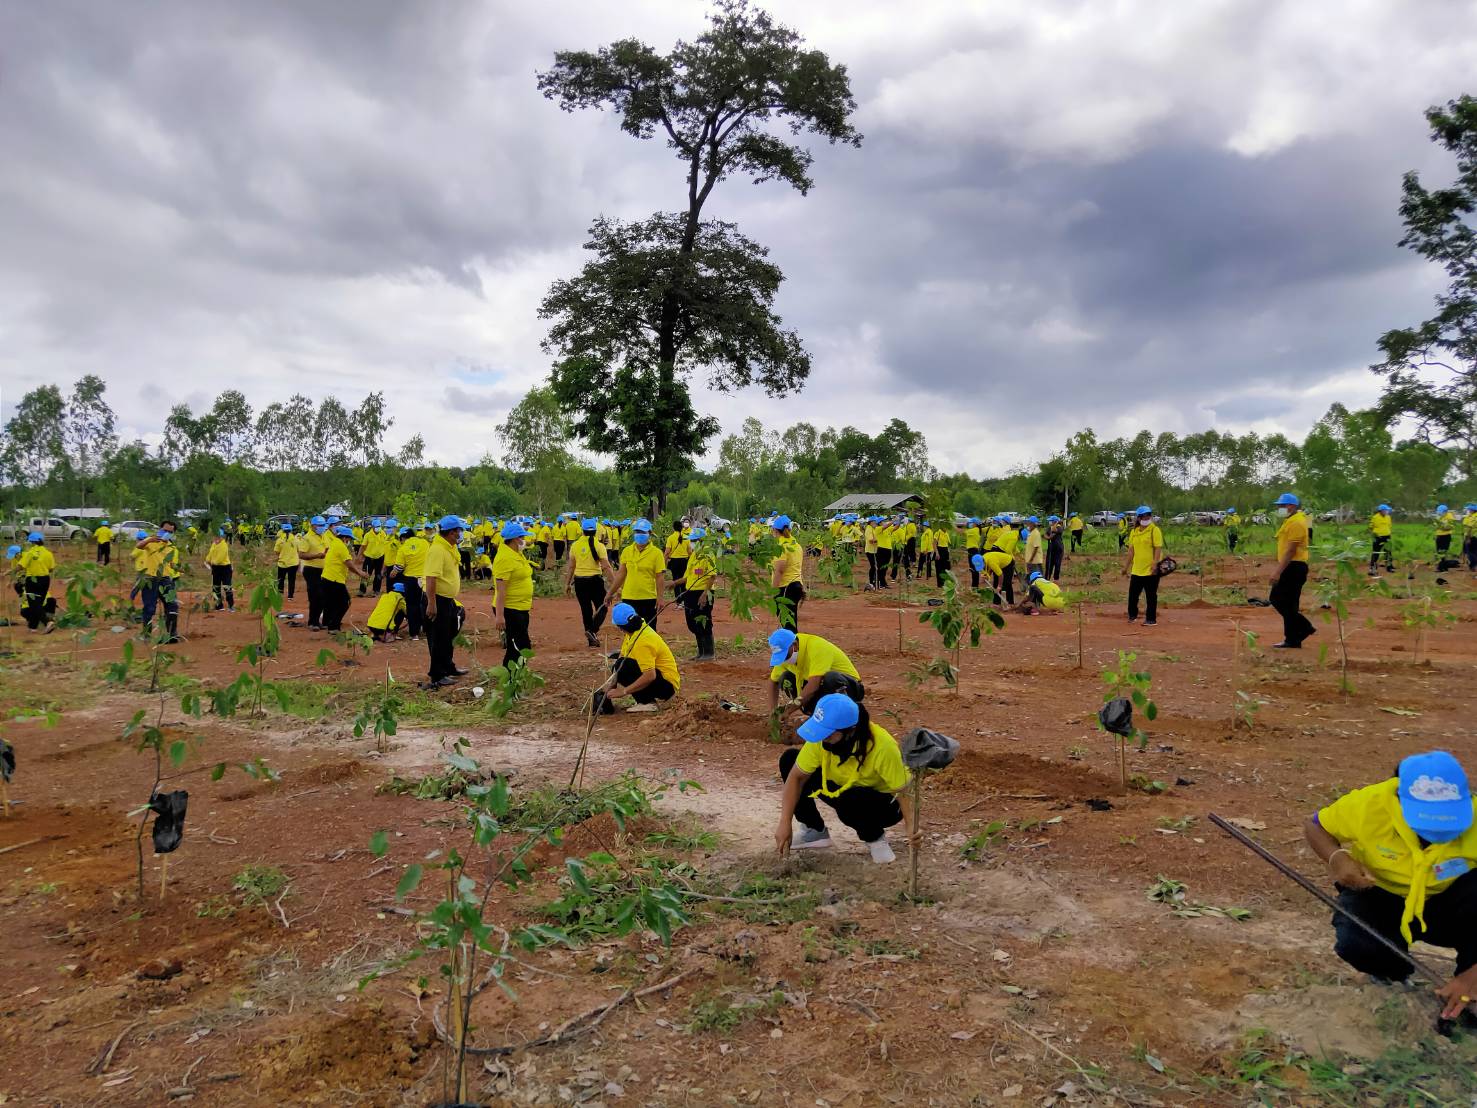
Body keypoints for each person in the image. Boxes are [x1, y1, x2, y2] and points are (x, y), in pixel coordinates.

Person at [1305, 750, 1477, 1021]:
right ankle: (1393, 981)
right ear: (1400, 801)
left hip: (1452, 902)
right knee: (1356, 941)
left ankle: (1469, 992)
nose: (1440, 832)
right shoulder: (1371, 804)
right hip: (1382, 895)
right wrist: (1338, 859)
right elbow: (1316, 826)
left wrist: (1472, 975)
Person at [775, 692, 914, 864]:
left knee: (852, 798)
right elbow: (796, 778)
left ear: (850, 730)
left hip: (884, 805)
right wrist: (785, 821)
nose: (823, 738)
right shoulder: (821, 739)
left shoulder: (882, 746)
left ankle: (875, 839)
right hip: (842, 791)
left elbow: (903, 789)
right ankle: (814, 830)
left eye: (829, 734)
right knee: (790, 760)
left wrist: (911, 825)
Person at [595, 602, 680, 713]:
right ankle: (644, 700)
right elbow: (622, 658)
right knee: (619, 665)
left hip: (666, 686)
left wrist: (623, 692)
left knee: (624, 667)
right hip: (659, 678)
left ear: (620, 627)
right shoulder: (634, 631)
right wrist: (610, 687)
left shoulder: (643, 641)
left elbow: (650, 676)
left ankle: (647, 702)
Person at [766, 628, 861, 715]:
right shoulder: (786, 655)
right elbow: (773, 682)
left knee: (830, 679)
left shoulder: (817, 647)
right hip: (822, 687)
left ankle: (844, 715)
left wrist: (790, 708)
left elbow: (814, 685)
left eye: (785, 656)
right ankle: (816, 715)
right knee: (786, 678)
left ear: (795, 645)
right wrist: (773, 712)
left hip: (850, 686)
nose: (784, 660)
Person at [424, 516, 467, 688]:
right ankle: (437, 675)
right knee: (438, 638)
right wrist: (431, 603)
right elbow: (431, 578)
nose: (460, 534)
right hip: (437, 600)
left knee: (448, 635)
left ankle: (448, 667)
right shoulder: (437, 550)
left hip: (447, 599)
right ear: (451, 532)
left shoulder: (449, 547)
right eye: (458, 530)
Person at [1269, 492, 1315, 649]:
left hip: (1293, 566)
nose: (1279, 508)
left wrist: (1277, 572)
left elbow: (1291, 551)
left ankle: (1304, 627)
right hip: (1293, 566)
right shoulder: (1291, 520)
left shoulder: (1297, 523)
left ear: (1291, 506)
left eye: (1281, 506)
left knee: (1277, 598)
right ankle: (1293, 639)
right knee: (1290, 604)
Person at [563, 517, 613, 647]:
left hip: (579, 582)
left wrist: (567, 584)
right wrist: (614, 583)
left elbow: (571, 566)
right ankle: (592, 630)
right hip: (595, 581)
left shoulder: (575, 545)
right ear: (595, 531)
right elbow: (606, 567)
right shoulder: (599, 546)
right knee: (603, 606)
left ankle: (591, 638)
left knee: (586, 610)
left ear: (582, 531)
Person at [608, 519, 667, 627]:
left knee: (648, 630)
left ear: (649, 533)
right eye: (637, 532)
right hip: (629, 597)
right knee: (629, 630)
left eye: (643, 532)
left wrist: (660, 597)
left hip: (648, 598)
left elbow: (660, 578)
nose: (639, 535)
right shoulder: (627, 551)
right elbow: (621, 574)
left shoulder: (657, 553)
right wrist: (610, 592)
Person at [493, 520, 535, 670]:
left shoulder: (516, 554)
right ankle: (510, 677)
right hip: (510, 609)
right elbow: (501, 590)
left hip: (521, 607)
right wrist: (499, 615)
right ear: (515, 539)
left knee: (516, 646)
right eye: (522, 538)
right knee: (521, 646)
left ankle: (513, 677)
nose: (524, 541)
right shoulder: (505, 558)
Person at [1122, 506, 1164, 626]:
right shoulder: (1134, 532)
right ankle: (1132, 616)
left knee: (1151, 595)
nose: (1146, 518)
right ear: (1138, 518)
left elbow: (1158, 548)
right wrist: (1126, 567)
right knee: (1133, 595)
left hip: (1151, 570)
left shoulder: (1154, 530)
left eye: (1148, 515)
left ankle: (1151, 619)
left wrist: (1155, 564)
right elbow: (1131, 551)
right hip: (1137, 569)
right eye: (1144, 516)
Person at [681, 527, 718, 661]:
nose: (691, 543)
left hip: (703, 592)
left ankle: (709, 652)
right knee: (692, 622)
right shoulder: (693, 556)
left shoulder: (708, 555)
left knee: (704, 621)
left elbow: (712, 576)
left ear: (701, 541)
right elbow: (688, 576)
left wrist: (704, 594)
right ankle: (701, 651)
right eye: (691, 540)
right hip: (690, 592)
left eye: (694, 540)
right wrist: (673, 583)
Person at [321, 524, 366, 631]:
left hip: (328, 577)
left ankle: (327, 623)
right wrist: (360, 573)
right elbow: (349, 564)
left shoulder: (335, 543)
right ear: (345, 538)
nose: (349, 541)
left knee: (331, 602)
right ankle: (333, 626)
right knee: (345, 602)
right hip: (334, 579)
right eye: (349, 539)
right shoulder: (341, 546)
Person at [393, 524, 430, 641]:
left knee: (412, 606)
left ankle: (414, 633)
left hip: (411, 580)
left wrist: (392, 573)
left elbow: (399, 567)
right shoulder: (424, 543)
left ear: (403, 537)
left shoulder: (403, 548)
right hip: (426, 579)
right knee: (426, 603)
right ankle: (427, 629)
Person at [770, 515, 805, 631]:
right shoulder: (796, 545)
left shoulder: (781, 546)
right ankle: (794, 648)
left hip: (785, 588)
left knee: (787, 625)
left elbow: (779, 570)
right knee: (791, 623)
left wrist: (773, 591)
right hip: (796, 585)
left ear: (775, 530)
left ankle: (793, 648)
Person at [18, 532, 57, 632]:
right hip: (45, 580)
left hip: (32, 580)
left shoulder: (30, 553)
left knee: (34, 604)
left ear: (31, 542)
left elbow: (21, 566)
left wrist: (7, 572)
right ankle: (33, 626)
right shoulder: (48, 553)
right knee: (38, 603)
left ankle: (47, 622)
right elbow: (51, 569)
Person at [298, 515, 328, 631]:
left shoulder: (323, 536)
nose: (322, 527)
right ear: (312, 526)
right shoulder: (307, 538)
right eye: (319, 526)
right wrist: (317, 555)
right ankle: (312, 622)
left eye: (323, 525)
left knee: (322, 596)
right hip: (311, 570)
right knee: (315, 595)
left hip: (323, 570)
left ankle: (317, 621)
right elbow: (301, 554)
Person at [204, 528, 235, 612]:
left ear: (222, 537)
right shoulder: (214, 544)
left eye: (218, 537)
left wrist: (211, 563)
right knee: (216, 587)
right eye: (215, 537)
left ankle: (231, 605)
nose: (216, 539)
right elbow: (210, 553)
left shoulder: (224, 545)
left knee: (227, 586)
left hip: (225, 568)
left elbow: (219, 559)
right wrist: (207, 560)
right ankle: (218, 605)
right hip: (216, 568)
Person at [665, 520, 691, 601]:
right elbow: (690, 552)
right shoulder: (686, 538)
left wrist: (664, 562)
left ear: (673, 528)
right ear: (682, 527)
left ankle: (678, 601)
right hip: (684, 561)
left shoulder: (671, 538)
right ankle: (685, 600)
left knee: (675, 580)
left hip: (674, 561)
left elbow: (667, 552)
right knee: (684, 580)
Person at [272, 522, 299, 599]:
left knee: (280, 580)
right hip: (293, 563)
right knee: (291, 580)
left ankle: (280, 596)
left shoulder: (279, 540)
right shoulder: (295, 539)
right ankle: (290, 597)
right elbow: (298, 550)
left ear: (282, 530)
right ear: (291, 530)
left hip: (282, 563)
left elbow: (276, 551)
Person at [1368, 503, 1395, 576]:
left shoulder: (1388, 517)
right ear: (1381, 511)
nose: (1387, 512)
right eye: (1386, 510)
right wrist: (1374, 535)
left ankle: (1389, 566)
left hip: (1387, 536)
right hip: (1377, 537)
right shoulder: (1375, 517)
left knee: (1388, 552)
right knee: (1376, 552)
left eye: (1387, 510)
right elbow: (1370, 527)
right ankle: (1372, 568)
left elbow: (1389, 525)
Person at [1044, 515, 1065, 581]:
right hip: (1051, 548)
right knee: (1049, 564)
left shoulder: (1059, 527)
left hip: (1058, 549)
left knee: (1057, 564)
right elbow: (1045, 535)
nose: (1049, 522)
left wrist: (1056, 524)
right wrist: (1049, 536)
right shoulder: (1049, 528)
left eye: (1051, 521)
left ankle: (1056, 579)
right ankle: (1047, 578)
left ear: (1055, 521)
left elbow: (1052, 533)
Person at [932, 518, 952, 587]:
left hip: (945, 551)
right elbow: (934, 543)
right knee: (939, 568)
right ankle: (940, 584)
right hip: (939, 550)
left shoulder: (946, 534)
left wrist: (949, 552)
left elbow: (948, 544)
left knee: (946, 567)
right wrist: (937, 553)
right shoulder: (938, 532)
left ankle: (945, 583)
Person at [1464, 503, 1477, 573]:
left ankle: (1473, 564)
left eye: (1469, 509)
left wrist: (1468, 538)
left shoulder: (1473, 518)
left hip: (1472, 537)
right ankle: (1473, 566)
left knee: (1470, 552)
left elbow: (1469, 528)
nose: (1468, 510)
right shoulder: (1472, 516)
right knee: (1475, 551)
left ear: (1472, 510)